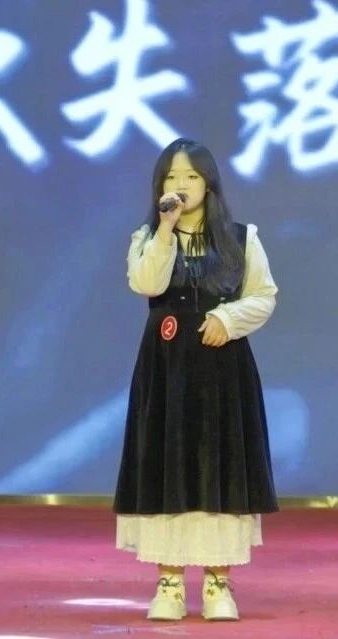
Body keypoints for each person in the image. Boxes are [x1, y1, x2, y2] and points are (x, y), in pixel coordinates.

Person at [113, 138, 279, 621]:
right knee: (167, 466)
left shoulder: (241, 238)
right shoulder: (147, 236)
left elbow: (264, 296)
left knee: (219, 466)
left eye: (190, 176)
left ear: (209, 183)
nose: (181, 184)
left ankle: (217, 583)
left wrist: (228, 319)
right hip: (165, 370)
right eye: (171, 176)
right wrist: (165, 229)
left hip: (222, 369)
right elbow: (147, 284)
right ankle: (168, 583)